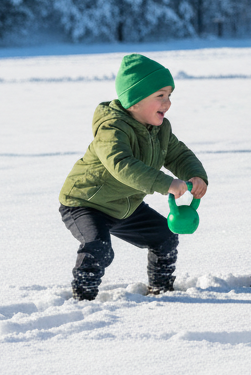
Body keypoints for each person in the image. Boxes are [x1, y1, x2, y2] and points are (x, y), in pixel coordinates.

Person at [58, 54, 209, 300]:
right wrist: (166, 183)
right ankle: (82, 298)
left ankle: (161, 291)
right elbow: (122, 165)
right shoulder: (112, 128)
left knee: (165, 238)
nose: (167, 102)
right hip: (85, 203)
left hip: (124, 205)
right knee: (99, 248)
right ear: (134, 101)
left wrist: (195, 175)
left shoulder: (161, 129)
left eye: (169, 95)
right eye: (160, 96)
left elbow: (178, 154)